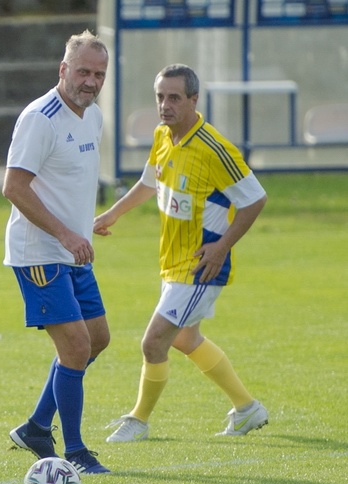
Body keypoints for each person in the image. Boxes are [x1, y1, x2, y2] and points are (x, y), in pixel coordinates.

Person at [94, 64, 269, 441]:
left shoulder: (214, 149)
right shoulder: (163, 136)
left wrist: (222, 247)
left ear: (193, 100)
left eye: (174, 97)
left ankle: (138, 421)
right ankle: (247, 409)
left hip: (201, 266)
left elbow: (256, 199)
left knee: (153, 341)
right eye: (160, 97)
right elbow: (147, 184)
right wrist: (111, 214)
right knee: (185, 339)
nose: (164, 105)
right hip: (173, 264)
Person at [2, 30, 111, 475]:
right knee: (77, 345)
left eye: (99, 74)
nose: (90, 81)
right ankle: (77, 452)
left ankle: (35, 427)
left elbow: (70, 180)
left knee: (97, 340)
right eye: (83, 71)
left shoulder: (94, 117)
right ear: (63, 70)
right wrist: (66, 234)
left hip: (73, 251)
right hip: (40, 253)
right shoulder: (39, 118)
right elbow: (14, 187)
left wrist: (86, 226)